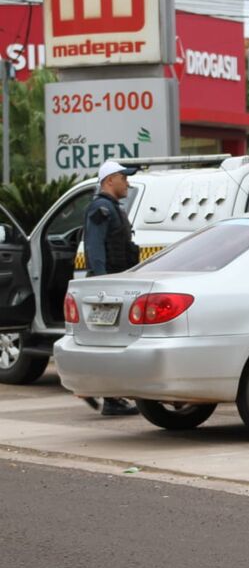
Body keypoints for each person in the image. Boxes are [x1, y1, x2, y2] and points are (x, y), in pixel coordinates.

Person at [83, 159, 142, 416]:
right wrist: (102, 284)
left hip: (117, 282)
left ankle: (105, 395)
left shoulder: (113, 208)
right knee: (104, 340)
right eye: (123, 177)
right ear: (109, 180)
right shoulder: (101, 209)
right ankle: (99, 392)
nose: (127, 182)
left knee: (107, 341)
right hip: (107, 285)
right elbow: (94, 248)